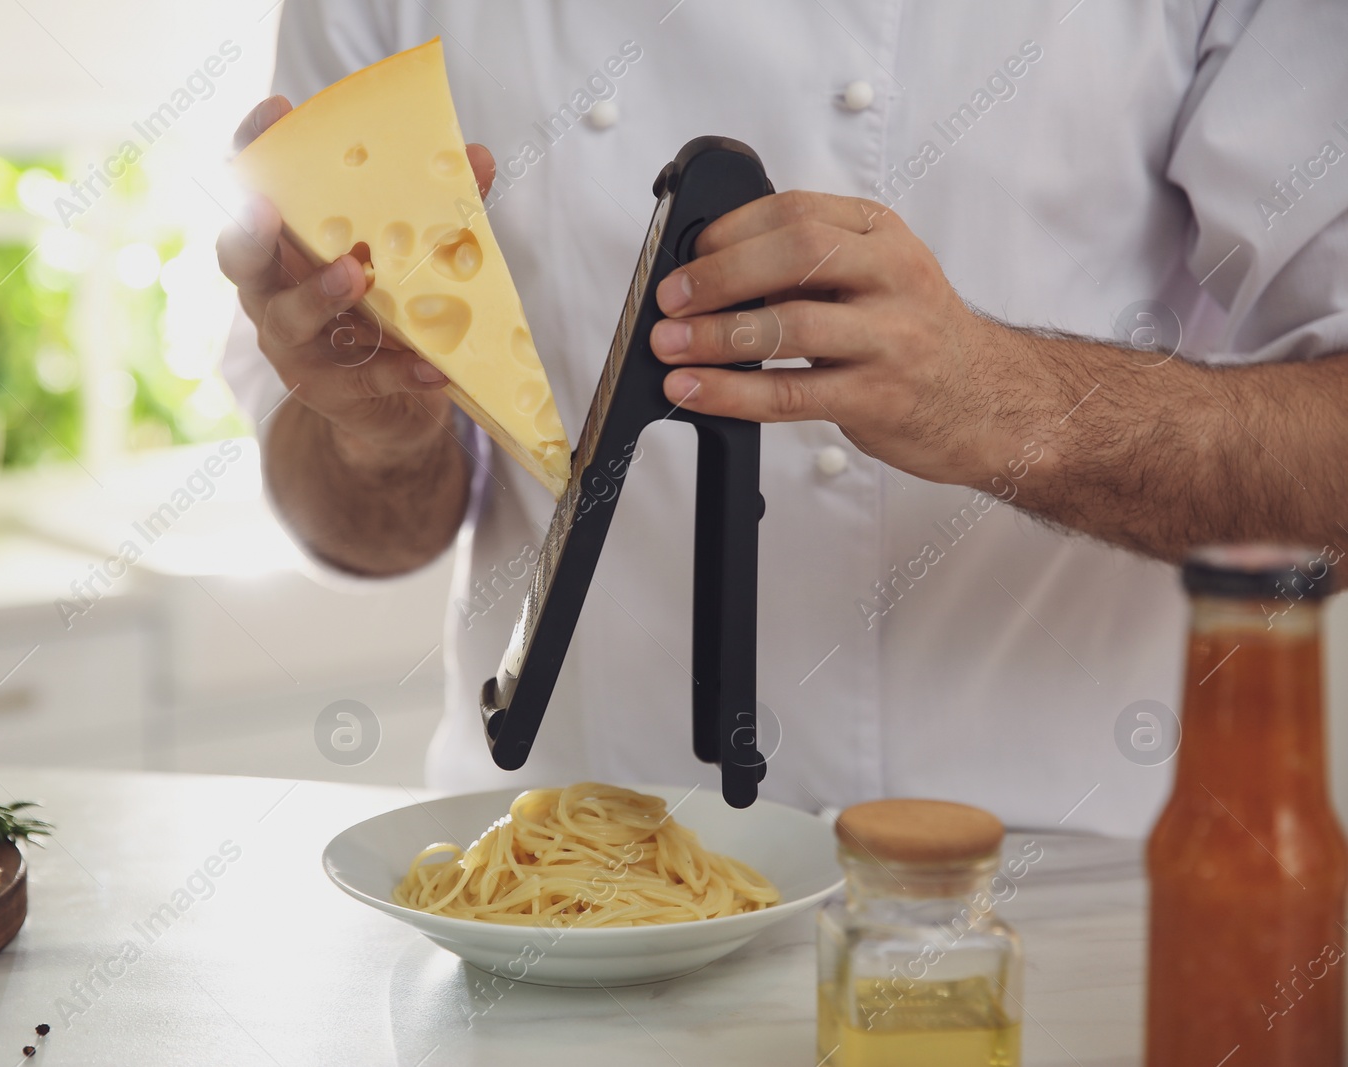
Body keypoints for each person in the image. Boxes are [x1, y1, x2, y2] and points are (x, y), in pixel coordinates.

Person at [219, 0, 1348, 836]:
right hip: (563, 905)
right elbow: (360, 528)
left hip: (1060, 896)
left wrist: (997, 397)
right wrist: (378, 426)